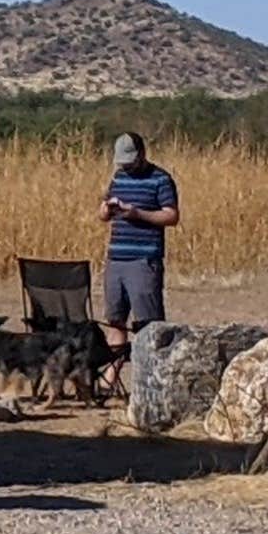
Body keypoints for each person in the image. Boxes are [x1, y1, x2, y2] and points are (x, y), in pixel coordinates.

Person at [98, 132, 179, 373]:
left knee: (148, 324)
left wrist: (138, 213)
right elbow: (102, 215)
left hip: (144, 260)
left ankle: (152, 376)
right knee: (115, 321)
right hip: (116, 258)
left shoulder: (161, 179)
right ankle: (111, 377)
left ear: (142, 154)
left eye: (130, 161)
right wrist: (105, 210)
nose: (127, 166)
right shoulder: (119, 177)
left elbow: (172, 216)